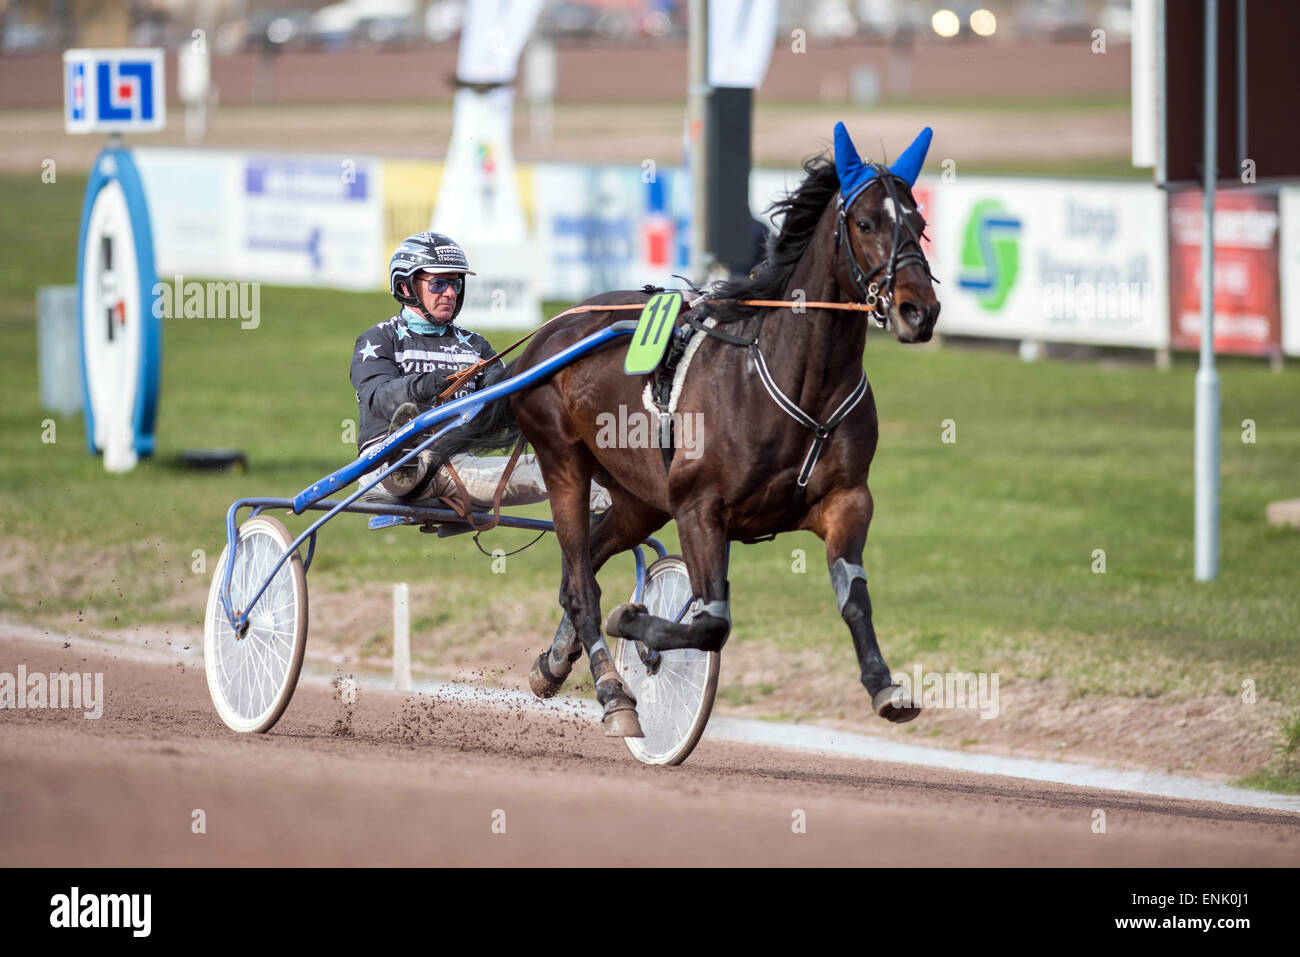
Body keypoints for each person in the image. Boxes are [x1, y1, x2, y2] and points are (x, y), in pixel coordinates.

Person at [352, 231, 608, 510]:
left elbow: (503, 404)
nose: (450, 293)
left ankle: (622, 502)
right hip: (381, 464)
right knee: (406, 459)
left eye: (455, 284)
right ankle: (403, 459)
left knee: (559, 464)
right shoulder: (379, 339)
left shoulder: (475, 346)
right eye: (438, 284)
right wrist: (425, 386)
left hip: (458, 466)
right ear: (405, 287)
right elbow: (376, 395)